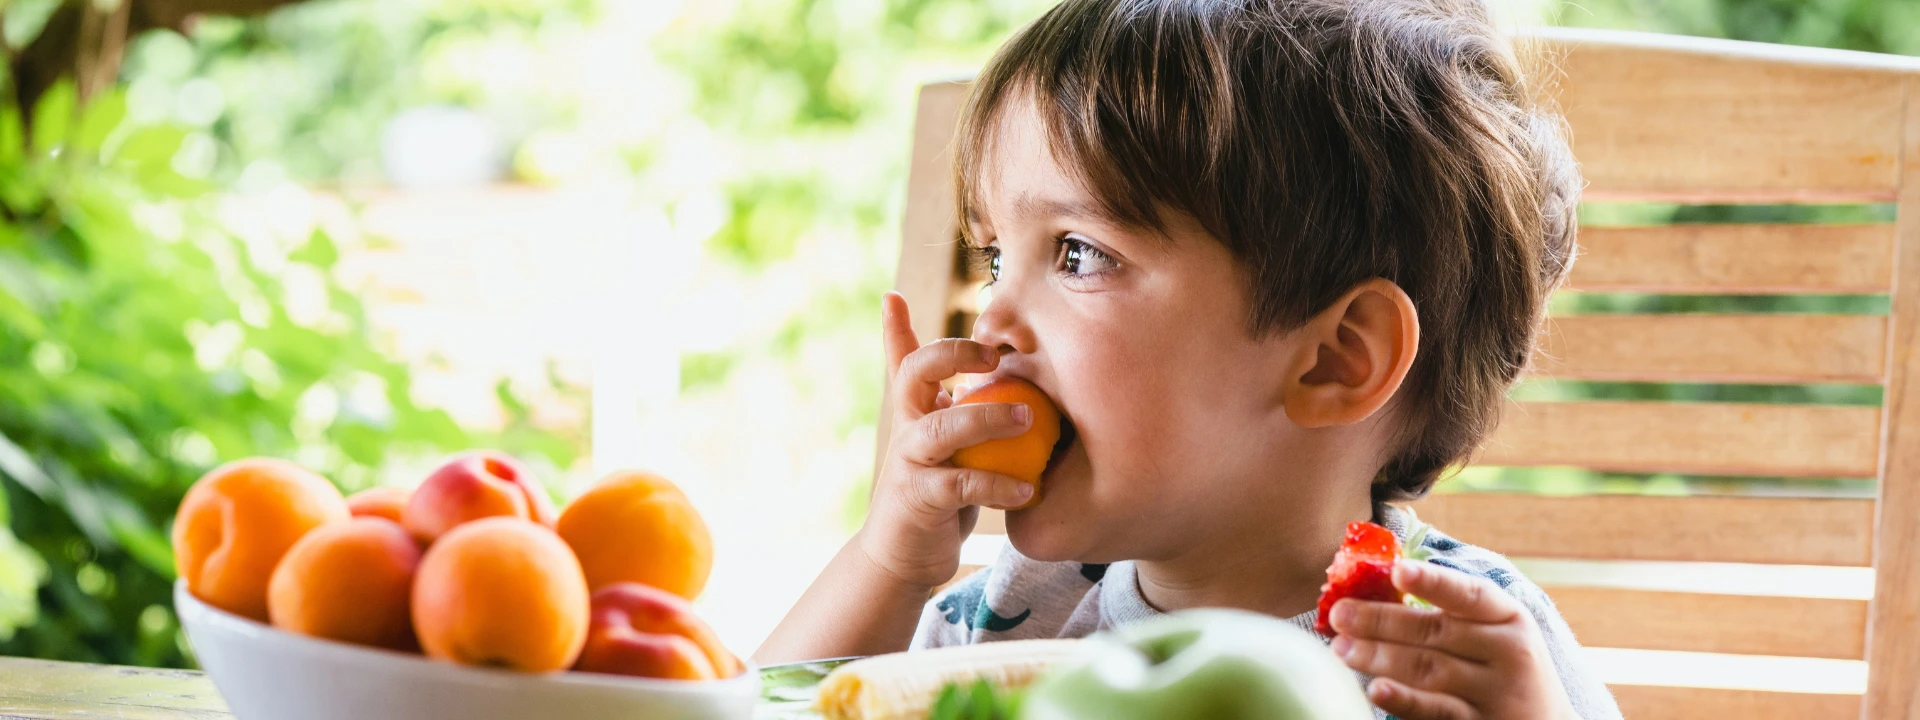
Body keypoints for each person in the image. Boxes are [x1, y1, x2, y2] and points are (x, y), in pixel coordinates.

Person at [757, 0, 1619, 717]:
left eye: (1078, 254)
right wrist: (888, 565)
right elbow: (759, 705)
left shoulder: (1461, 653)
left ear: (1336, 360)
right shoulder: (1019, 611)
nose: (991, 322)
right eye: (992, 258)